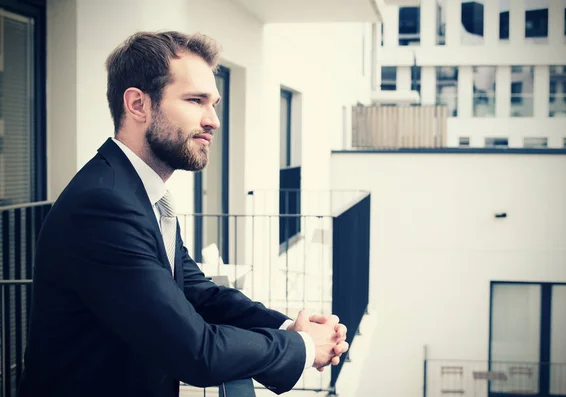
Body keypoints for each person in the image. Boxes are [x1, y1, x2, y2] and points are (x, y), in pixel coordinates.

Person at [18, 31, 348, 397]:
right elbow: (196, 351)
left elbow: (198, 294)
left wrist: (289, 328)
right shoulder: (104, 205)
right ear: (138, 105)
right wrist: (303, 347)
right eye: (195, 100)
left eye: (215, 104)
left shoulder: (139, 193)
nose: (213, 121)